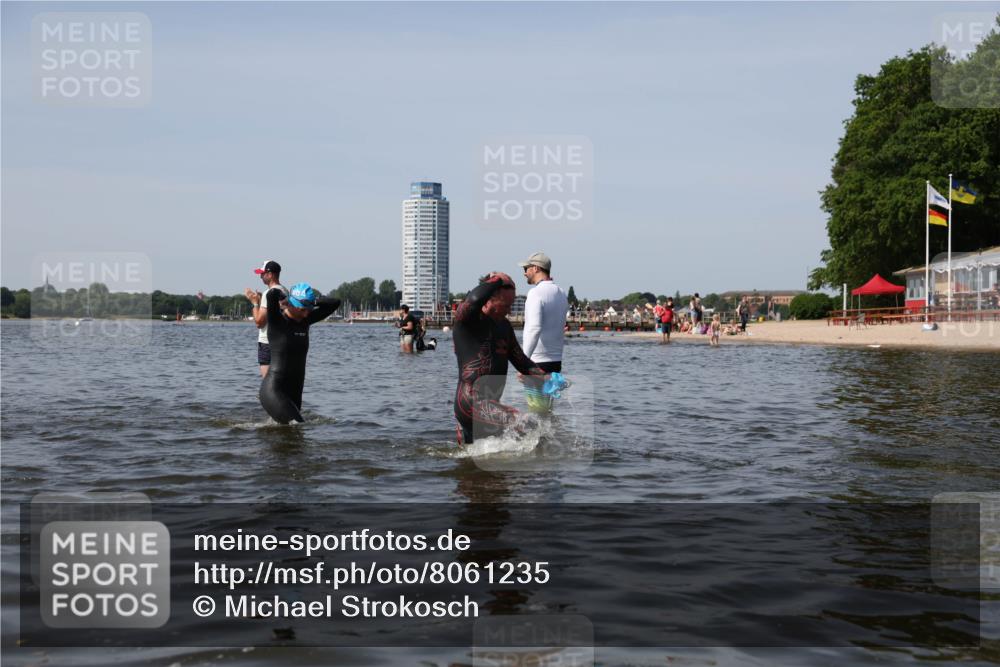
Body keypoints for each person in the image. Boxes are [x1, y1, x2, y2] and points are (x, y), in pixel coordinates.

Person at [452, 272, 546, 444]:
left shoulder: (504, 326)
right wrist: (498, 280)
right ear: (488, 300)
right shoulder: (468, 321)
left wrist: (547, 378)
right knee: (529, 427)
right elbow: (473, 300)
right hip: (470, 401)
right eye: (505, 305)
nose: (509, 311)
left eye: (511, 305)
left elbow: (521, 361)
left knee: (473, 457)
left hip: (490, 405)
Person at [252, 282, 341, 424]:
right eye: (302, 309)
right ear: (291, 304)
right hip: (273, 390)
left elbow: (335, 303)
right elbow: (271, 295)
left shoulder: (305, 320)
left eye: (309, 309)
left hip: (295, 391)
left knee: (291, 434)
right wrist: (284, 296)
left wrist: (312, 302)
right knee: (297, 426)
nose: (306, 313)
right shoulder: (277, 321)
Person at [519, 252, 569, 374]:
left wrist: (523, 363)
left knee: (535, 390)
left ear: (536, 268)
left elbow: (534, 328)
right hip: (556, 361)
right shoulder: (561, 293)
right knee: (551, 388)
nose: (524, 273)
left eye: (526, 268)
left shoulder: (535, 293)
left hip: (537, 361)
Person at [244, 260, 286, 377]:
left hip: (267, 342)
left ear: (270, 274)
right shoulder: (284, 290)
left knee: (268, 381)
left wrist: (255, 303)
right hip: (282, 341)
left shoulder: (269, 293)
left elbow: (259, 322)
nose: (260, 276)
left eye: (262, 274)